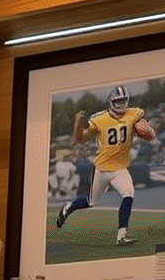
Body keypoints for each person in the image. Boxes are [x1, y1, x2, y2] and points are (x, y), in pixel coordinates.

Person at [55, 85, 156, 246]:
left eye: (124, 101)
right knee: (91, 202)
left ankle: (121, 236)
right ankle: (68, 206)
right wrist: (77, 123)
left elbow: (149, 133)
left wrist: (148, 131)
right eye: (118, 101)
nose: (121, 104)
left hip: (120, 168)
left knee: (129, 194)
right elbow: (79, 139)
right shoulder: (99, 119)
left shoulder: (134, 114)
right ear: (111, 102)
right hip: (102, 168)